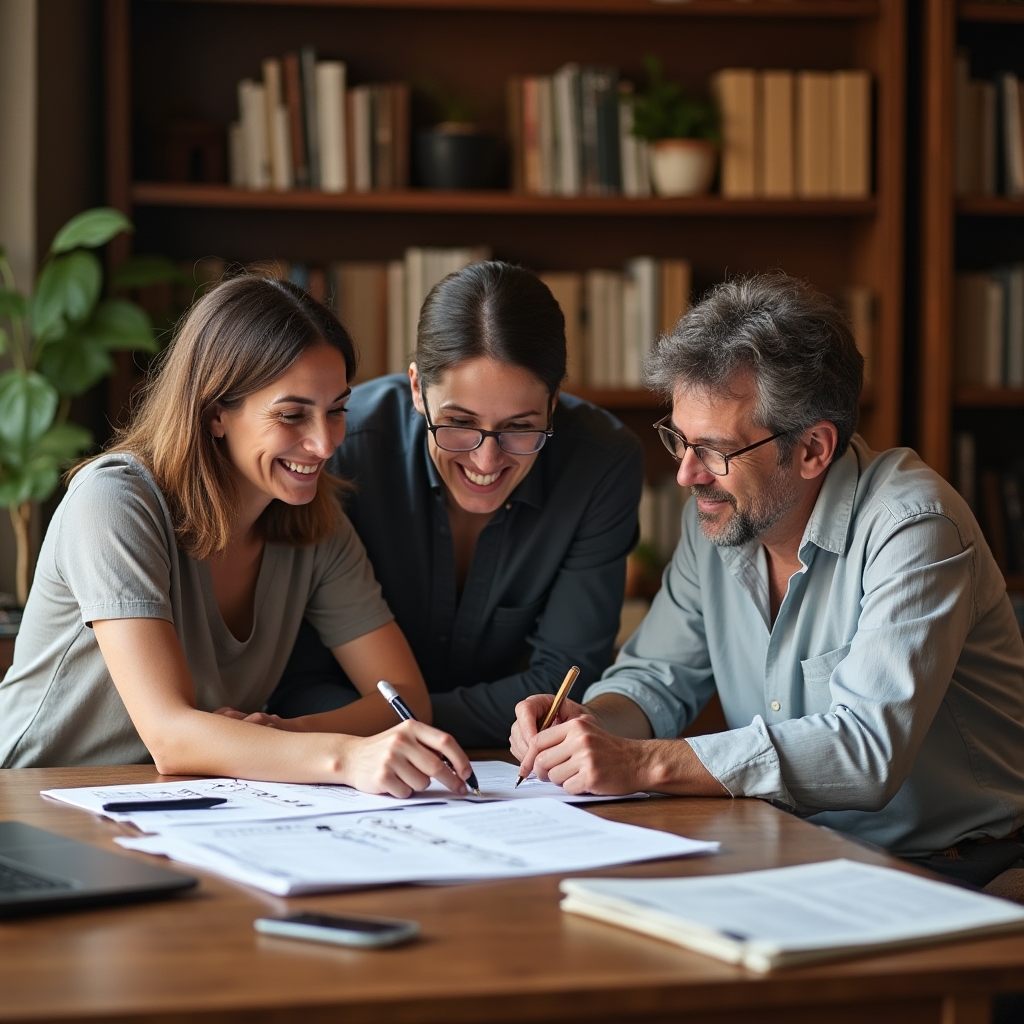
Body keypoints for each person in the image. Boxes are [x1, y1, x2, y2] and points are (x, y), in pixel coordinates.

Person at [512, 272, 1024, 887]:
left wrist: (644, 763)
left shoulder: (914, 526)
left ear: (812, 449)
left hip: (955, 869)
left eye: (715, 450)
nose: (686, 475)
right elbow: (654, 681)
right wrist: (588, 727)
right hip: (796, 852)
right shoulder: (723, 518)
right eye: (678, 439)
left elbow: (867, 752)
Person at [0, 275, 474, 798]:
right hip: (33, 799)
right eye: (292, 414)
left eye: (337, 410)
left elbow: (403, 697)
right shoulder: (114, 502)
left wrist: (285, 734)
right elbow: (171, 736)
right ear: (215, 414)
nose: (323, 443)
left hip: (177, 804)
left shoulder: (317, 521)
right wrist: (345, 754)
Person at [268, 261, 644, 747]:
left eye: (519, 427)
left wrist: (383, 721)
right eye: (459, 422)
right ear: (417, 389)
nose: (486, 459)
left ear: (553, 405)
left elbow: (561, 682)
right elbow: (300, 674)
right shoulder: (339, 447)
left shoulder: (601, 464)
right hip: (347, 766)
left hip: (514, 773)